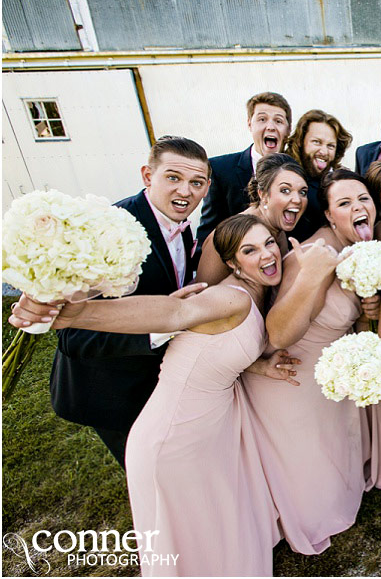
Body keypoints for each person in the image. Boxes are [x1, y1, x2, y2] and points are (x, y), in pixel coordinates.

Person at [10, 215, 293, 575]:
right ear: (234, 264)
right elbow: (176, 312)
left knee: (211, 520)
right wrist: (75, 314)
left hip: (209, 428)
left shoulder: (255, 295)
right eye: (250, 250)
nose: (267, 254)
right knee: (187, 535)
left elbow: (214, 347)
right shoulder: (229, 298)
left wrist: (260, 366)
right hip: (174, 438)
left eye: (269, 243)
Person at [242, 169, 381, 555]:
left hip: (333, 366)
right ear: (330, 216)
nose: (358, 207)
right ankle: (306, 515)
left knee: (335, 445)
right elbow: (279, 333)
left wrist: (368, 313)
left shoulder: (368, 246)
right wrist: (314, 277)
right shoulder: (315, 254)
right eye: (344, 203)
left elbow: (360, 315)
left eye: (363, 198)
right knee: (307, 460)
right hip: (293, 372)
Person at [43, 137, 210, 467]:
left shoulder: (181, 224)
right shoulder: (104, 232)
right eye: (173, 178)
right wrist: (163, 326)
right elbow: (72, 334)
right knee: (149, 473)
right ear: (148, 175)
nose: (186, 192)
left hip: (152, 381)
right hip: (109, 391)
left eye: (197, 183)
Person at [196, 153, 308, 284]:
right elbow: (202, 291)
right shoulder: (229, 233)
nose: (297, 200)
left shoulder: (279, 229)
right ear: (263, 194)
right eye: (285, 190)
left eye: (302, 192)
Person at [197, 92, 292, 246]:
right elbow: (208, 231)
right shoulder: (220, 169)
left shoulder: (298, 173)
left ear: (288, 129)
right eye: (262, 119)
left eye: (278, 121)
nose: (271, 126)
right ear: (250, 124)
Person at [285, 109, 353, 241]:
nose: (324, 151)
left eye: (331, 146)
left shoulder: (340, 181)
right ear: (300, 141)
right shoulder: (284, 175)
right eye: (316, 142)